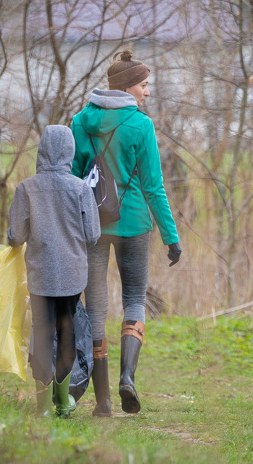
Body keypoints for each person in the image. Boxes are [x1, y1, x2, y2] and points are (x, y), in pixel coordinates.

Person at [71, 50, 181, 416]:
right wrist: (171, 236)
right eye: (144, 85)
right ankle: (127, 379)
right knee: (134, 299)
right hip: (133, 222)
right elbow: (153, 186)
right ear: (128, 86)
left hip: (92, 225)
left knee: (96, 308)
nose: (148, 92)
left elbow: (73, 179)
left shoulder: (80, 121)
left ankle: (102, 401)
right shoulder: (141, 125)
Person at [8, 125, 101, 418]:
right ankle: (63, 403)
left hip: (40, 277)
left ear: (42, 152)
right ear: (70, 153)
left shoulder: (27, 188)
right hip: (73, 278)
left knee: (42, 335)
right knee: (68, 335)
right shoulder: (81, 188)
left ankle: (42, 407)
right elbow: (93, 234)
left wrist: (14, 233)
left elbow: (17, 236)